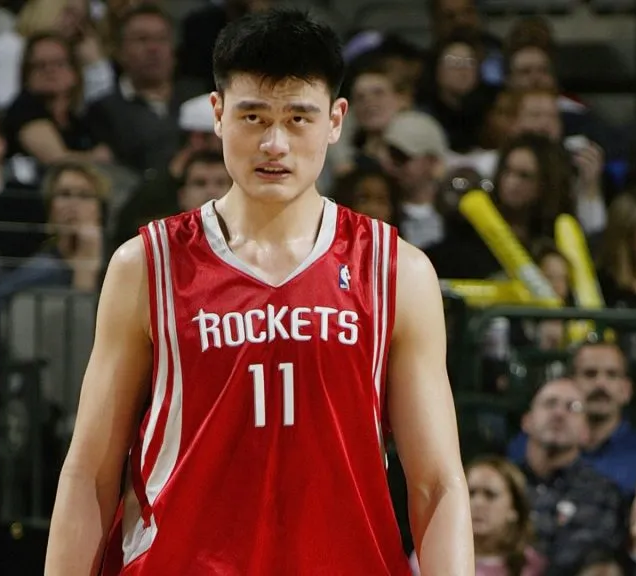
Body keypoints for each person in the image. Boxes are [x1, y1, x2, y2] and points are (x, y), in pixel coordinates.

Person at [45, 8, 473, 576]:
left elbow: (437, 483)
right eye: (253, 116)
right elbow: (90, 473)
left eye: (299, 118)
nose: (275, 143)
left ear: (336, 120)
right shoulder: (147, 264)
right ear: (218, 114)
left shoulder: (395, 270)